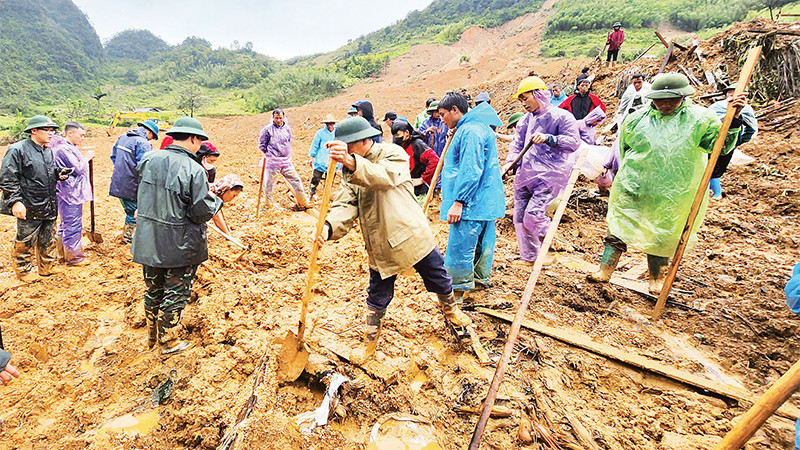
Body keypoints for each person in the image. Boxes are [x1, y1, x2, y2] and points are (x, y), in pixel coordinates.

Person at [316, 116, 472, 364]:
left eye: (348, 145)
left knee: (439, 277)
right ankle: (369, 342)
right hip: (381, 243)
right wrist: (328, 227)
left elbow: (385, 177)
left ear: (364, 141)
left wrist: (350, 161)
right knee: (377, 295)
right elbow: (346, 203)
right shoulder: (350, 170)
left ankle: (452, 312)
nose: (344, 150)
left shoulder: (393, 154)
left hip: (411, 235)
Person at [587, 73, 746, 293]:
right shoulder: (637, 119)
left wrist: (734, 119)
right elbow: (624, 149)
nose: (665, 105)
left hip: (674, 189)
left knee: (662, 232)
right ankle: (604, 271)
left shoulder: (700, 119)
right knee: (619, 225)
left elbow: (719, 146)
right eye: (660, 100)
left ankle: (656, 280)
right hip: (635, 183)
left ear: (683, 96)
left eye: (671, 100)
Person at [132, 117, 224, 355]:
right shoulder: (194, 169)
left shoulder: (149, 159)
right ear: (193, 139)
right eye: (199, 141)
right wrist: (218, 201)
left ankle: (151, 335)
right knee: (176, 289)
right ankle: (168, 340)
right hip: (179, 242)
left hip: (149, 238)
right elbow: (200, 210)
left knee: (153, 287)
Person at [503, 77, 581, 265]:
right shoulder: (524, 121)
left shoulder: (561, 117)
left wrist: (549, 138)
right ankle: (530, 257)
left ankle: (550, 246)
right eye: (520, 100)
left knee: (534, 214)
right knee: (520, 217)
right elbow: (516, 145)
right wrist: (510, 164)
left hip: (549, 175)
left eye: (525, 98)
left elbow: (573, 143)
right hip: (525, 175)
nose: (523, 103)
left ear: (538, 94)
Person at [438, 92, 505, 297]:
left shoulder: (470, 131)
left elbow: (471, 168)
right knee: (482, 245)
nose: (442, 119)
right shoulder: (476, 127)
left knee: (461, 248)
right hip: (483, 200)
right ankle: (479, 283)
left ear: (455, 110)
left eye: (443, 114)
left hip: (470, 202)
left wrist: (459, 201)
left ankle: (457, 292)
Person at [1, 115, 72, 281]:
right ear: (34, 131)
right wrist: (15, 201)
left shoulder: (46, 151)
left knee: (48, 237)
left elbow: (44, 172)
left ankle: (47, 267)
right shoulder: (18, 150)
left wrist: (58, 173)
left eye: (52, 130)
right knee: (25, 239)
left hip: (48, 202)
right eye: (46, 130)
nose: (51, 133)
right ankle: (23, 272)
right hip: (29, 203)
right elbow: (8, 177)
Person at [51, 122, 94, 266]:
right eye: (80, 135)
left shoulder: (68, 147)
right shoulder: (64, 149)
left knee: (66, 223)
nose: (82, 138)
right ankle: (74, 257)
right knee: (73, 224)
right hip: (70, 193)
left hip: (68, 192)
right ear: (70, 133)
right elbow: (78, 169)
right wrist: (86, 157)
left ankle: (62, 253)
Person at [109, 120, 159, 243]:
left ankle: (129, 235)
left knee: (129, 209)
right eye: (153, 137)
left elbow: (114, 157)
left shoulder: (123, 137)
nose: (151, 140)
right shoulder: (143, 143)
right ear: (149, 132)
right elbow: (145, 166)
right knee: (134, 211)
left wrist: (123, 170)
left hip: (118, 181)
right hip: (132, 184)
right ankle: (129, 238)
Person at [709, 84, 758, 199]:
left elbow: (751, 128)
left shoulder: (746, 110)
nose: (732, 95)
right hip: (711, 142)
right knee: (709, 167)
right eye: (729, 92)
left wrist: (738, 141)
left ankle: (716, 193)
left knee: (718, 168)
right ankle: (715, 193)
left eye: (735, 92)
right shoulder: (716, 107)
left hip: (729, 143)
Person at [258, 108, 311, 210]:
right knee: (269, 185)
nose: (278, 120)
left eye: (280, 118)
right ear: (273, 118)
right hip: (272, 163)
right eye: (276, 118)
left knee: (296, 181)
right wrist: (271, 154)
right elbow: (262, 145)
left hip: (286, 162)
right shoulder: (267, 130)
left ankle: (303, 202)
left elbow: (289, 142)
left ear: (284, 118)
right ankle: (268, 206)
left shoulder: (287, 129)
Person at [391, 120, 439, 199]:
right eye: (394, 136)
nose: (396, 138)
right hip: (407, 187)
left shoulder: (417, 144)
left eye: (397, 135)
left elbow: (435, 160)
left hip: (420, 190)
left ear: (407, 133)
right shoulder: (403, 145)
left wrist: (422, 179)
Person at [308, 114, 340, 201]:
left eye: (331, 123)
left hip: (333, 161)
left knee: (329, 181)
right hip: (321, 160)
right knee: (315, 179)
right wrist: (312, 156)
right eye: (328, 124)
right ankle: (310, 195)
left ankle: (325, 199)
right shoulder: (320, 133)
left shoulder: (338, 133)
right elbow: (315, 145)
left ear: (333, 123)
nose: (329, 126)